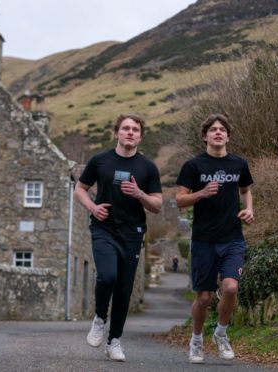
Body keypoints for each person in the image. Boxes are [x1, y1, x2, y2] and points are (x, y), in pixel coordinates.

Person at [74, 113, 163, 362]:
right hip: (104, 228)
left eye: (135, 129)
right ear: (117, 133)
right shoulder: (100, 161)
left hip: (132, 233)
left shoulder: (147, 167)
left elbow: (157, 205)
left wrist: (139, 193)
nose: (130, 132)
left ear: (140, 136)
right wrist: (93, 208)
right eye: (125, 128)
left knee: (124, 289)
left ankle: (114, 341)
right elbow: (79, 189)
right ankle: (100, 317)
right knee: (107, 275)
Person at [175, 113, 253, 364]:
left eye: (222, 129)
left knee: (230, 287)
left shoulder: (239, 164)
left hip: (232, 238)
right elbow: (179, 200)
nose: (218, 132)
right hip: (203, 240)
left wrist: (249, 209)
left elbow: (246, 190)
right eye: (213, 129)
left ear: (228, 136)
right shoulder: (194, 166)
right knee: (205, 298)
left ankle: (221, 333)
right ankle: (196, 341)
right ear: (205, 136)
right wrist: (202, 193)